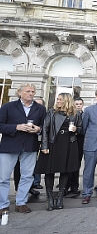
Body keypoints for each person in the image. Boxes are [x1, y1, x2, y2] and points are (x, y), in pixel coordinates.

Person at [0, 83, 46, 214]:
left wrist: (38, 129)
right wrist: (16, 127)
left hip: (30, 146)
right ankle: (2, 205)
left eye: (32, 91)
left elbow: (44, 126)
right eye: (27, 91)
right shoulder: (8, 106)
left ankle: (21, 203)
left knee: (27, 176)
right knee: (3, 178)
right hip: (9, 146)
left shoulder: (40, 108)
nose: (31, 93)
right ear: (19, 93)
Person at [34, 93, 82, 210]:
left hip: (69, 144)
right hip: (53, 143)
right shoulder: (51, 112)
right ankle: (50, 198)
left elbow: (81, 128)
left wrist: (76, 130)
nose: (58, 101)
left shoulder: (75, 114)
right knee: (49, 170)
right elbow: (45, 129)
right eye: (58, 99)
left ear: (66, 101)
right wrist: (44, 145)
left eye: (60, 99)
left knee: (65, 171)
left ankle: (60, 197)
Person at [65, 98, 85, 195]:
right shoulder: (70, 114)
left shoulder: (85, 115)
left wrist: (77, 130)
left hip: (80, 143)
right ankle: (65, 185)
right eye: (76, 104)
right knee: (67, 165)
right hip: (70, 141)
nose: (78, 105)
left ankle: (74, 186)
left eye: (80, 104)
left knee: (76, 165)